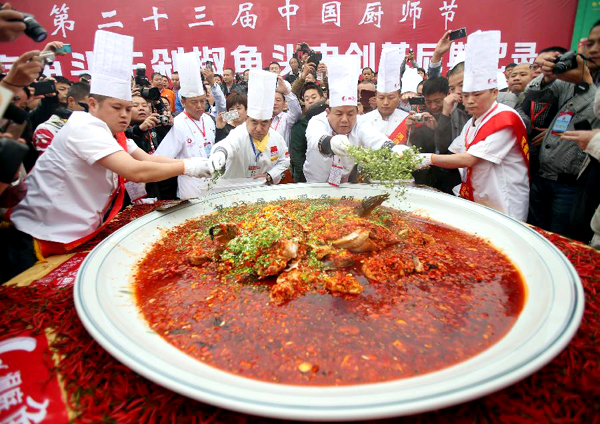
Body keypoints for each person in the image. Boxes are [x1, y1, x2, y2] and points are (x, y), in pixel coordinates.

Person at [4, 30, 212, 282]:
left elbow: (146, 159)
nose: (125, 115)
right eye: (117, 108)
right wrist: (188, 166)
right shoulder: (84, 127)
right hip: (36, 238)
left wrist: (198, 164)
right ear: (92, 104)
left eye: (128, 108)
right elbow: (136, 171)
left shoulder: (115, 134)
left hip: (74, 234)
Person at [417, 30, 529, 220]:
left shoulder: (505, 118)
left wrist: (425, 158)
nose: (468, 101)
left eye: (476, 95)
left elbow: (468, 159)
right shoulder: (472, 121)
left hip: (504, 199)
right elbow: (451, 152)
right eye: (465, 95)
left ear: (494, 92)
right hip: (477, 194)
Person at [526, 21, 599, 236]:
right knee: (535, 233)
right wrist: (549, 73)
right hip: (542, 175)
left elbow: (591, 114)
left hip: (570, 184)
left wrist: (585, 82)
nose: (594, 49)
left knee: (560, 239)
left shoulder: (587, 83)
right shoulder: (567, 82)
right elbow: (532, 92)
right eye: (591, 43)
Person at [303, 55, 406, 184]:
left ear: (357, 112)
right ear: (328, 112)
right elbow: (316, 138)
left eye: (351, 114)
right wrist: (331, 142)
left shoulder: (360, 123)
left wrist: (393, 149)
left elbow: (375, 139)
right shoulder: (317, 122)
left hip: (345, 183)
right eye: (339, 114)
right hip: (315, 184)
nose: (345, 120)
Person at [210, 70, 290, 185]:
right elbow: (227, 145)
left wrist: (269, 175)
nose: (258, 128)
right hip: (234, 190)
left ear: (270, 121)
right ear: (247, 118)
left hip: (263, 191)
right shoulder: (239, 133)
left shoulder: (277, 138)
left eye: (264, 123)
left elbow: (284, 161)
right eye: (254, 122)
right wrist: (220, 153)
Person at [155, 53, 218, 199]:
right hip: (191, 187)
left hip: (213, 184)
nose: (200, 106)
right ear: (183, 102)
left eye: (202, 101)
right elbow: (162, 157)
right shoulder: (178, 124)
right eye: (194, 102)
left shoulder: (208, 119)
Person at [360, 48, 409, 144]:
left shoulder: (406, 120)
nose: (386, 102)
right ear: (376, 96)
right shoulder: (363, 121)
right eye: (381, 98)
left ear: (399, 96)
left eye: (391, 97)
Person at [33, 82, 90, 154]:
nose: (91, 111)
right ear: (71, 101)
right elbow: (52, 163)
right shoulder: (47, 129)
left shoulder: (99, 127)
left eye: (95, 106)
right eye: (87, 106)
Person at [289, 83, 327, 182]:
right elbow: (298, 158)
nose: (310, 101)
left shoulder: (333, 121)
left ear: (322, 98)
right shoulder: (299, 127)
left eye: (313, 97)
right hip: (309, 179)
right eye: (306, 99)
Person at [271, 76, 301, 146]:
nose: (274, 103)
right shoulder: (262, 118)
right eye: (272, 100)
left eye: (278, 100)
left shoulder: (286, 118)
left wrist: (286, 92)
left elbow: (297, 112)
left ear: (284, 104)